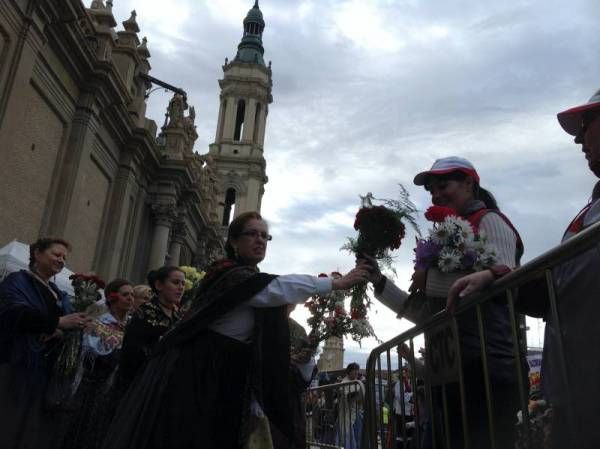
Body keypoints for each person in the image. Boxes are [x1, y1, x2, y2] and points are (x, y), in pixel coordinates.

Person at [102, 211, 369, 449]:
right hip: (205, 370)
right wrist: (335, 284)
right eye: (252, 234)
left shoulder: (245, 277)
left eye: (265, 236)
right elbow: (276, 288)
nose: (260, 240)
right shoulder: (230, 275)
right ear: (233, 241)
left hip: (228, 370)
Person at [448, 89, 600, 448]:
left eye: (587, 122)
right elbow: (562, 280)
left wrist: (503, 279)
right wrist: (499, 279)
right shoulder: (588, 208)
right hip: (576, 387)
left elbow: (572, 278)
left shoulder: (491, 223)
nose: (578, 138)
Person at [360, 156, 525, 449]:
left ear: (469, 184)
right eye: (432, 189)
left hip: (486, 366)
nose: (436, 194)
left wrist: (435, 279)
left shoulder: (489, 220)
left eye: (443, 185)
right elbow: (429, 313)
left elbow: (503, 277)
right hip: (447, 374)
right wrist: (379, 281)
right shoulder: (440, 242)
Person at [0, 237, 90, 449]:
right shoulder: (17, 281)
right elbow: (12, 312)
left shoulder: (59, 293)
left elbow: (62, 327)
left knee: (34, 432)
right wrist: (57, 322)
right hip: (17, 366)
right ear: (37, 253)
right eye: (56, 255)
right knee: (10, 425)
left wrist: (72, 328)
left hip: (45, 373)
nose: (61, 260)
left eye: (64, 258)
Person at [59, 279, 133, 449]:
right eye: (125, 294)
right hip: (92, 388)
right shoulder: (98, 323)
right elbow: (91, 354)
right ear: (112, 298)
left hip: (116, 391)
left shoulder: (131, 327)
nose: (130, 298)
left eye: (132, 295)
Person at [115, 267, 184, 394]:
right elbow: (131, 353)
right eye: (176, 282)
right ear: (159, 285)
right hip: (141, 385)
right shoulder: (145, 313)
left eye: (183, 283)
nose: (181, 287)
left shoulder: (179, 316)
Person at [336, 362, 365, 449]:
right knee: (347, 437)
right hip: (346, 413)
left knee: (358, 436)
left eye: (357, 370)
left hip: (356, 413)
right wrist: (358, 392)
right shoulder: (344, 382)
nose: (356, 372)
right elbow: (347, 396)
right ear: (349, 371)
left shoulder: (357, 382)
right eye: (354, 370)